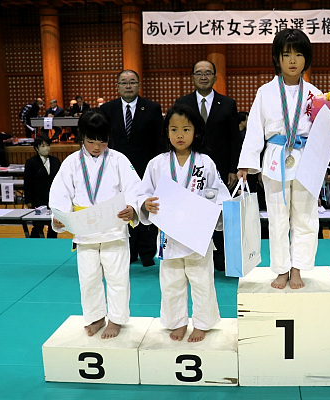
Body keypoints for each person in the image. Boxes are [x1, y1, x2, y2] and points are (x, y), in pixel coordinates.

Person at [237, 29, 330, 289]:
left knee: (305, 217)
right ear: (276, 58)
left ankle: (297, 267)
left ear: (306, 59)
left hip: (306, 159)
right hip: (275, 157)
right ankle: (281, 269)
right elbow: (254, 129)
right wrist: (245, 163)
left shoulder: (315, 94)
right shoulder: (265, 92)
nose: (292, 60)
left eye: (298, 55)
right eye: (286, 54)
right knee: (277, 218)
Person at [138, 104, 230, 342]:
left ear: (196, 132)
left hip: (197, 234)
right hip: (168, 235)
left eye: (186, 129)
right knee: (171, 282)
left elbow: (220, 194)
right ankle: (176, 322)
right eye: (174, 129)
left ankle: (202, 323)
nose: (180, 135)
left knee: (202, 281)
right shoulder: (157, 163)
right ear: (166, 132)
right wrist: (145, 204)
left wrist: (215, 210)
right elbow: (143, 193)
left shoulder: (205, 162)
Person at [49, 109, 141, 339]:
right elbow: (60, 194)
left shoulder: (119, 160)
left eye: (102, 141)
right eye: (91, 141)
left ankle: (116, 319)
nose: (97, 146)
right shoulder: (71, 163)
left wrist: (132, 208)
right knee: (88, 278)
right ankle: (96, 316)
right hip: (84, 230)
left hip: (113, 228)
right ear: (82, 137)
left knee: (117, 277)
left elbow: (135, 189)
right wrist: (60, 216)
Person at [174, 60, 241, 271]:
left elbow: (234, 139)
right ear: (193, 77)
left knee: (217, 211)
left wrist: (233, 168)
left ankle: (220, 259)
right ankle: (193, 255)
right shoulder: (182, 103)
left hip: (219, 169)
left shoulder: (228, 104)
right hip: (190, 167)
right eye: (199, 73)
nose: (203, 77)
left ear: (215, 77)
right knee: (192, 212)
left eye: (208, 73)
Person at [101, 70, 163, 267]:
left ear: (139, 85)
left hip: (145, 168)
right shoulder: (107, 109)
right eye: (124, 82)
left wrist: (159, 169)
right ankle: (127, 252)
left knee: (145, 208)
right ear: (117, 86)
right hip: (116, 170)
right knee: (123, 209)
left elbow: (159, 141)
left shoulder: (152, 108)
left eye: (132, 82)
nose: (128, 86)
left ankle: (147, 253)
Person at [24, 137, 60, 238]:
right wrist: (28, 200)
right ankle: (35, 243)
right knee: (37, 226)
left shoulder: (55, 161)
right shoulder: (31, 162)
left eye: (48, 145)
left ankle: (52, 244)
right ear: (37, 148)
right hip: (38, 198)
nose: (46, 148)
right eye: (43, 146)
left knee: (53, 225)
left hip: (53, 198)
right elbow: (27, 182)